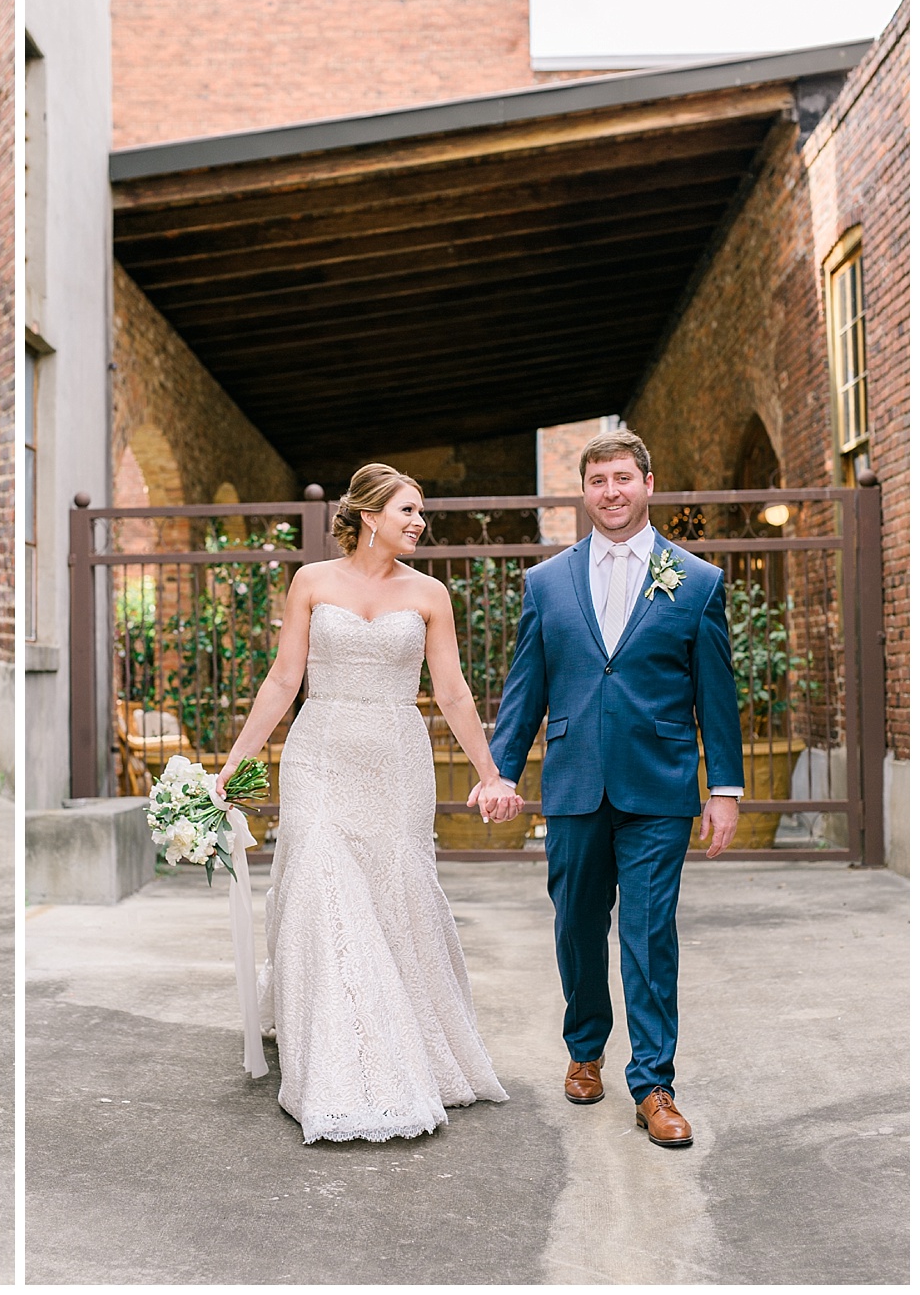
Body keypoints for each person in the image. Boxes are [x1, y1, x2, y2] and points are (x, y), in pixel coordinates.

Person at [215, 463, 514, 1143]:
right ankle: (333, 1056)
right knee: (324, 885)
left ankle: (400, 1041)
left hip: (395, 760)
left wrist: (490, 773)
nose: (419, 522)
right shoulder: (312, 582)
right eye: (408, 510)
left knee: (393, 893)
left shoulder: (432, 593)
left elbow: (453, 691)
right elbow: (285, 677)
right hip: (320, 754)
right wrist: (234, 762)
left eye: (421, 512)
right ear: (370, 516)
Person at [479, 428, 741, 1148]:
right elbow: (525, 689)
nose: (612, 492)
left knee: (649, 934)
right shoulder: (546, 582)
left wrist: (726, 788)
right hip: (573, 783)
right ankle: (585, 1048)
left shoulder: (696, 581)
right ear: (585, 492)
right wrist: (500, 769)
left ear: (648, 484)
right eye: (599, 481)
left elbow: (716, 695)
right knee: (575, 927)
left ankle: (654, 1084)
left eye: (624, 478)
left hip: (658, 786)